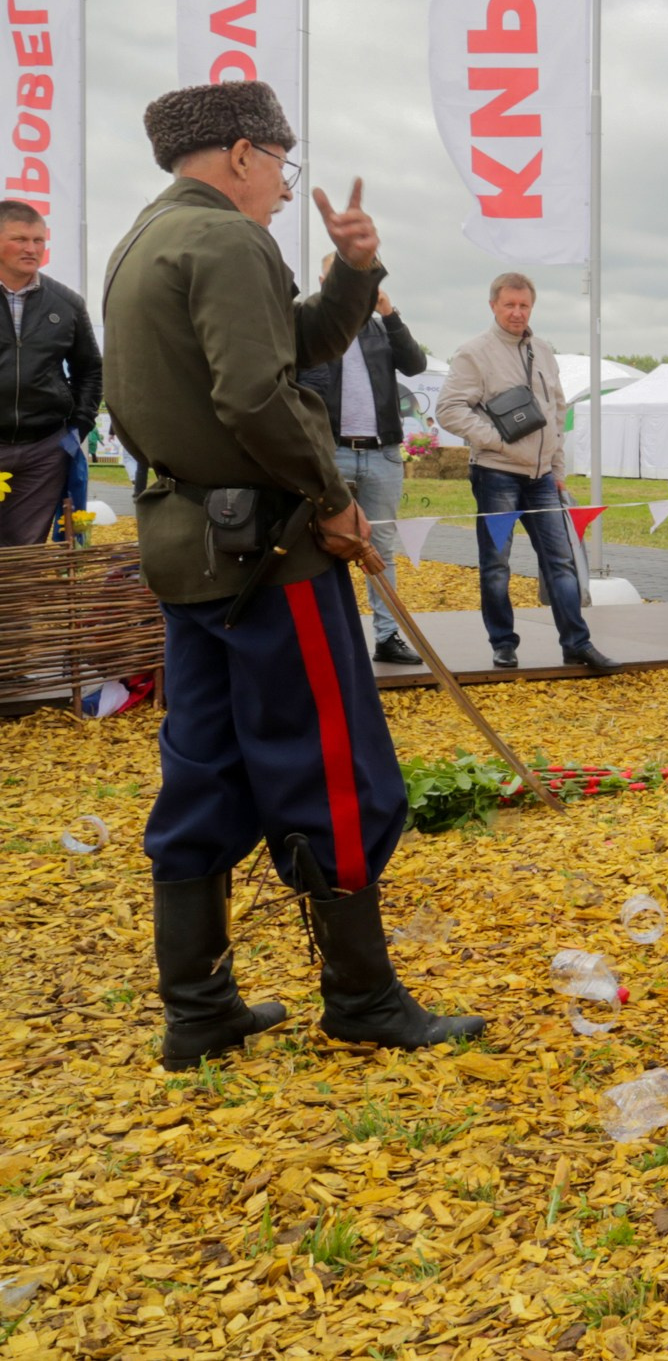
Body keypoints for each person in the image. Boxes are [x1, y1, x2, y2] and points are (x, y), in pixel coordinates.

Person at [102, 79, 483, 1064]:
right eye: (279, 161)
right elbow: (262, 394)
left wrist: (355, 271)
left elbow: (288, 347)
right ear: (240, 153)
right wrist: (330, 498)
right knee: (335, 771)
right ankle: (361, 995)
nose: (281, 183)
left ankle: (198, 1007)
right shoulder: (230, 239)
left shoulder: (145, 238)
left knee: (204, 769)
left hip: (194, 550)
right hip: (271, 552)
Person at [438, 273, 620, 674]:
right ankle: (503, 644)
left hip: (542, 480)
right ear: (493, 306)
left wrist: (557, 467)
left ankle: (577, 643)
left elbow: (556, 411)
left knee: (562, 562)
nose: (517, 312)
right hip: (496, 475)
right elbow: (449, 409)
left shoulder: (543, 350)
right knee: (496, 565)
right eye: (509, 305)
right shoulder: (473, 353)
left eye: (524, 306)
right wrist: (498, 441)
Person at [300, 254, 427, 665]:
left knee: (383, 547)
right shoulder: (308, 332)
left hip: (382, 453)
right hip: (330, 452)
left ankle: (387, 637)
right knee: (324, 543)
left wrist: (390, 314)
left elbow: (415, 364)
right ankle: (330, 637)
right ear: (324, 282)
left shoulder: (379, 328)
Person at [0, 200, 103, 547]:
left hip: (43, 452)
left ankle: (15, 605)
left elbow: (90, 369)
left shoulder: (67, 303)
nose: (31, 249)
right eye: (20, 239)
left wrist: (78, 427)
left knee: (24, 550)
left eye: (39, 241)